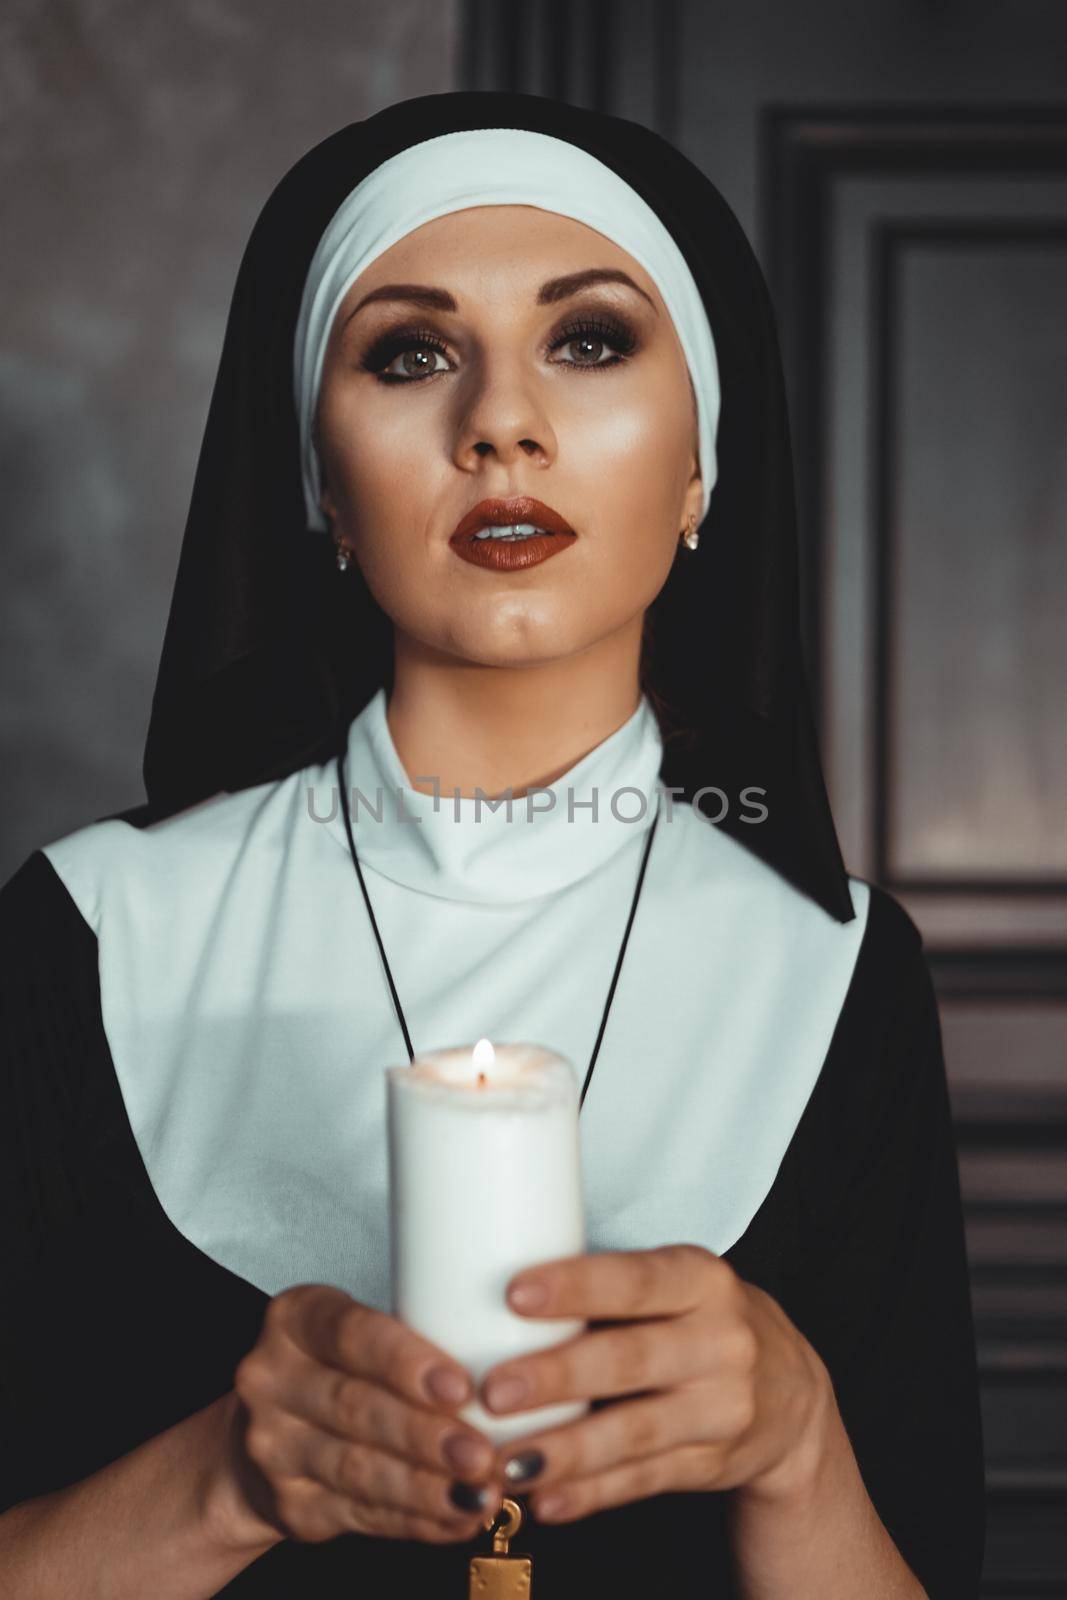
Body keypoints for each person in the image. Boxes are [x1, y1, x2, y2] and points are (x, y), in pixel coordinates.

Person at [0, 89, 985, 1597]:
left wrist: (798, 1446)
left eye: (588, 342)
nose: (502, 424)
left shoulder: (837, 967)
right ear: (323, 487)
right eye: (410, 353)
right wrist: (226, 1480)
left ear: (705, 463)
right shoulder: (92, 931)